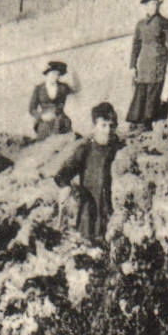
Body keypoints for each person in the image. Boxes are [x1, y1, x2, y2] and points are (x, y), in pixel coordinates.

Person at [54, 102, 121, 244]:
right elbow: (62, 174)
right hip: (90, 211)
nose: (108, 130)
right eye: (103, 125)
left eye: (111, 125)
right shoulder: (85, 149)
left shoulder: (118, 148)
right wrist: (68, 189)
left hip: (110, 209)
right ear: (94, 126)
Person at [126, 0, 168, 131]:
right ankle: (140, 122)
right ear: (145, 6)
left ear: (159, 5)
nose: (153, 7)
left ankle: (151, 122)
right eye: (150, 4)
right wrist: (132, 66)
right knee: (142, 89)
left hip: (159, 62)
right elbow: (136, 45)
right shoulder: (140, 25)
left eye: (155, 4)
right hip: (144, 63)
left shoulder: (165, 23)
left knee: (155, 91)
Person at [29, 60, 79, 140]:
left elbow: (76, 89)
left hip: (61, 120)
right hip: (44, 122)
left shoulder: (63, 87)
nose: (55, 77)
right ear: (47, 74)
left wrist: (73, 73)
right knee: (43, 143)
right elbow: (32, 109)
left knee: (66, 143)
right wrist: (41, 116)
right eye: (52, 74)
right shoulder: (39, 89)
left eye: (58, 75)